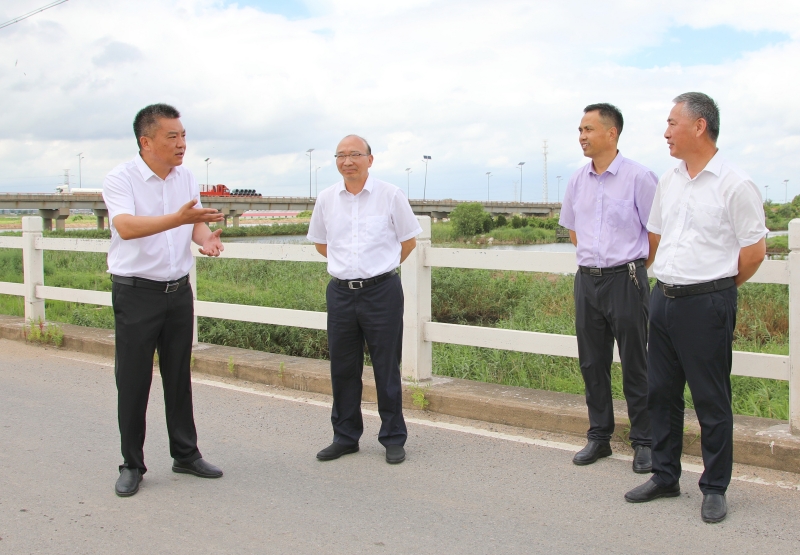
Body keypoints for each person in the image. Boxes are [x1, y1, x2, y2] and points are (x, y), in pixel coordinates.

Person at [625, 92, 767, 524]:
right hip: (664, 299)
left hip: (707, 304)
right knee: (661, 393)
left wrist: (716, 288)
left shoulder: (734, 184)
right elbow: (657, 236)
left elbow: (754, 252)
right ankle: (665, 475)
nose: (666, 132)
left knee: (710, 398)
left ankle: (715, 487)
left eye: (673, 123)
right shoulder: (669, 180)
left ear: (699, 126)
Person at [103, 103, 226, 497]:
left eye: (183, 135)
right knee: (134, 380)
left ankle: (185, 454)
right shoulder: (121, 178)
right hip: (137, 292)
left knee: (178, 376)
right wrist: (180, 220)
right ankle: (132, 464)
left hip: (177, 292)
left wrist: (205, 239)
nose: (181, 143)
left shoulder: (185, 176)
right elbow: (125, 227)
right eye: (172, 136)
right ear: (146, 141)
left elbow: (194, 223)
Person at [307, 134, 422, 464]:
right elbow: (321, 244)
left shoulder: (390, 195)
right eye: (341, 155)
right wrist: (349, 268)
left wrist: (378, 270)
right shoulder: (327, 199)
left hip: (382, 292)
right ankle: (345, 436)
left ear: (370, 160)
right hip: (341, 293)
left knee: (386, 367)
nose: (348, 161)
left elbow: (408, 242)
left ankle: (393, 437)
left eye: (355, 154)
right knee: (343, 368)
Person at [559, 103, 657, 473]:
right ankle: (599, 436)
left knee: (636, 363)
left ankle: (644, 441)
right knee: (592, 362)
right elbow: (574, 231)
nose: (582, 136)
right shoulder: (577, 180)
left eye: (588, 129)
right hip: (588, 281)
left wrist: (633, 267)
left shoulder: (639, 177)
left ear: (611, 133)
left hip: (626, 279)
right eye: (580, 130)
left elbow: (655, 233)